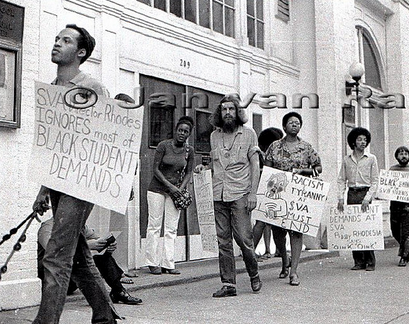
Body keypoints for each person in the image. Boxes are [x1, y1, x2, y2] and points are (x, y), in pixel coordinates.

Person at [32, 24, 118, 324]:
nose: (57, 43)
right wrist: (43, 189)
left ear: (80, 52)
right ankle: (105, 314)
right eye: (56, 38)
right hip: (57, 180)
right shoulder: (52, 89)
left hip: (82, 184)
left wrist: (117, 179)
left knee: (56, 256)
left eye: (65, 40)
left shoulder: (92, 88)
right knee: (77, 254)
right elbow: (52, 144)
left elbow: (113, 135)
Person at [194, 93, 262, 298]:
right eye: (224, 109)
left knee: (244, 239)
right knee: (223, 241)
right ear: (219, 113)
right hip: (218, 194)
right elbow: (212, 163)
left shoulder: (249, 134)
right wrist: (202, 168)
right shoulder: (214, 136)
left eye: (231, 109)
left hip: (240, 193)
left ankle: (254, 274)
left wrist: (252, 193)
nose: (228, 113)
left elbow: (255, 165)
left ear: (238, 112)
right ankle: (228, 284)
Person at [263, 113, 322, 286]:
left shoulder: (306, 147)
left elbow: (318, 167)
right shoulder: (274, 147)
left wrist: (305, 171)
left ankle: (294, 272)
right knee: (278, 233)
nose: (294, 125)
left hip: (299, 194)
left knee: (296, 232)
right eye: (291, 123)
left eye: (297, 123)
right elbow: (267, 169)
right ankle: (284, 260)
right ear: (284, 126)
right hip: (279, 193)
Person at [38, 218, 142, 305]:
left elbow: (97, 238)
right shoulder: (48, 226)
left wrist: (107, 245)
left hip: (70, 277)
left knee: (102, 258)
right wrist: (86, 246)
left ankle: (118, 291)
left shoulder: (79, 224)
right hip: (52, 277)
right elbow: (52, 251)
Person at [145, 116, 195, 275]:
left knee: (171, 228)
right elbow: (156, 170)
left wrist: (180, 188)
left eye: (186, 131)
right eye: (180, 130)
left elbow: (189, 172)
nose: (182, 133)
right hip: (157, 190)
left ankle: (168, 263)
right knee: (154, 225)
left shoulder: (189, 151)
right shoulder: (163, 146)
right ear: (175, 131)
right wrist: (171, 187)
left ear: (189, 134)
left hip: (175, 193)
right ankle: (153, 263)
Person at [337, 127, 379, 271]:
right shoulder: (346, 160)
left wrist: (368, 198)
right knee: (354, 228)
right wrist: (340, 198)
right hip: (352, 193)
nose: (363, 142)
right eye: (360, 139)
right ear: (353, 142)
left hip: (365, 193)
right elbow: (341, 180)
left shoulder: (371, 159)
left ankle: (370, 261)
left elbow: (375, 181)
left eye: (365, 140)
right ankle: (358, 261)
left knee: (366, 228)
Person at [253, 127, 284, 260]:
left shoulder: (264, 154)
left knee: (267, 222)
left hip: (270, 189)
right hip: (264, 190)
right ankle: (260, 249)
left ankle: (270, 249)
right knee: (263, 222)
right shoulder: (259, 154)